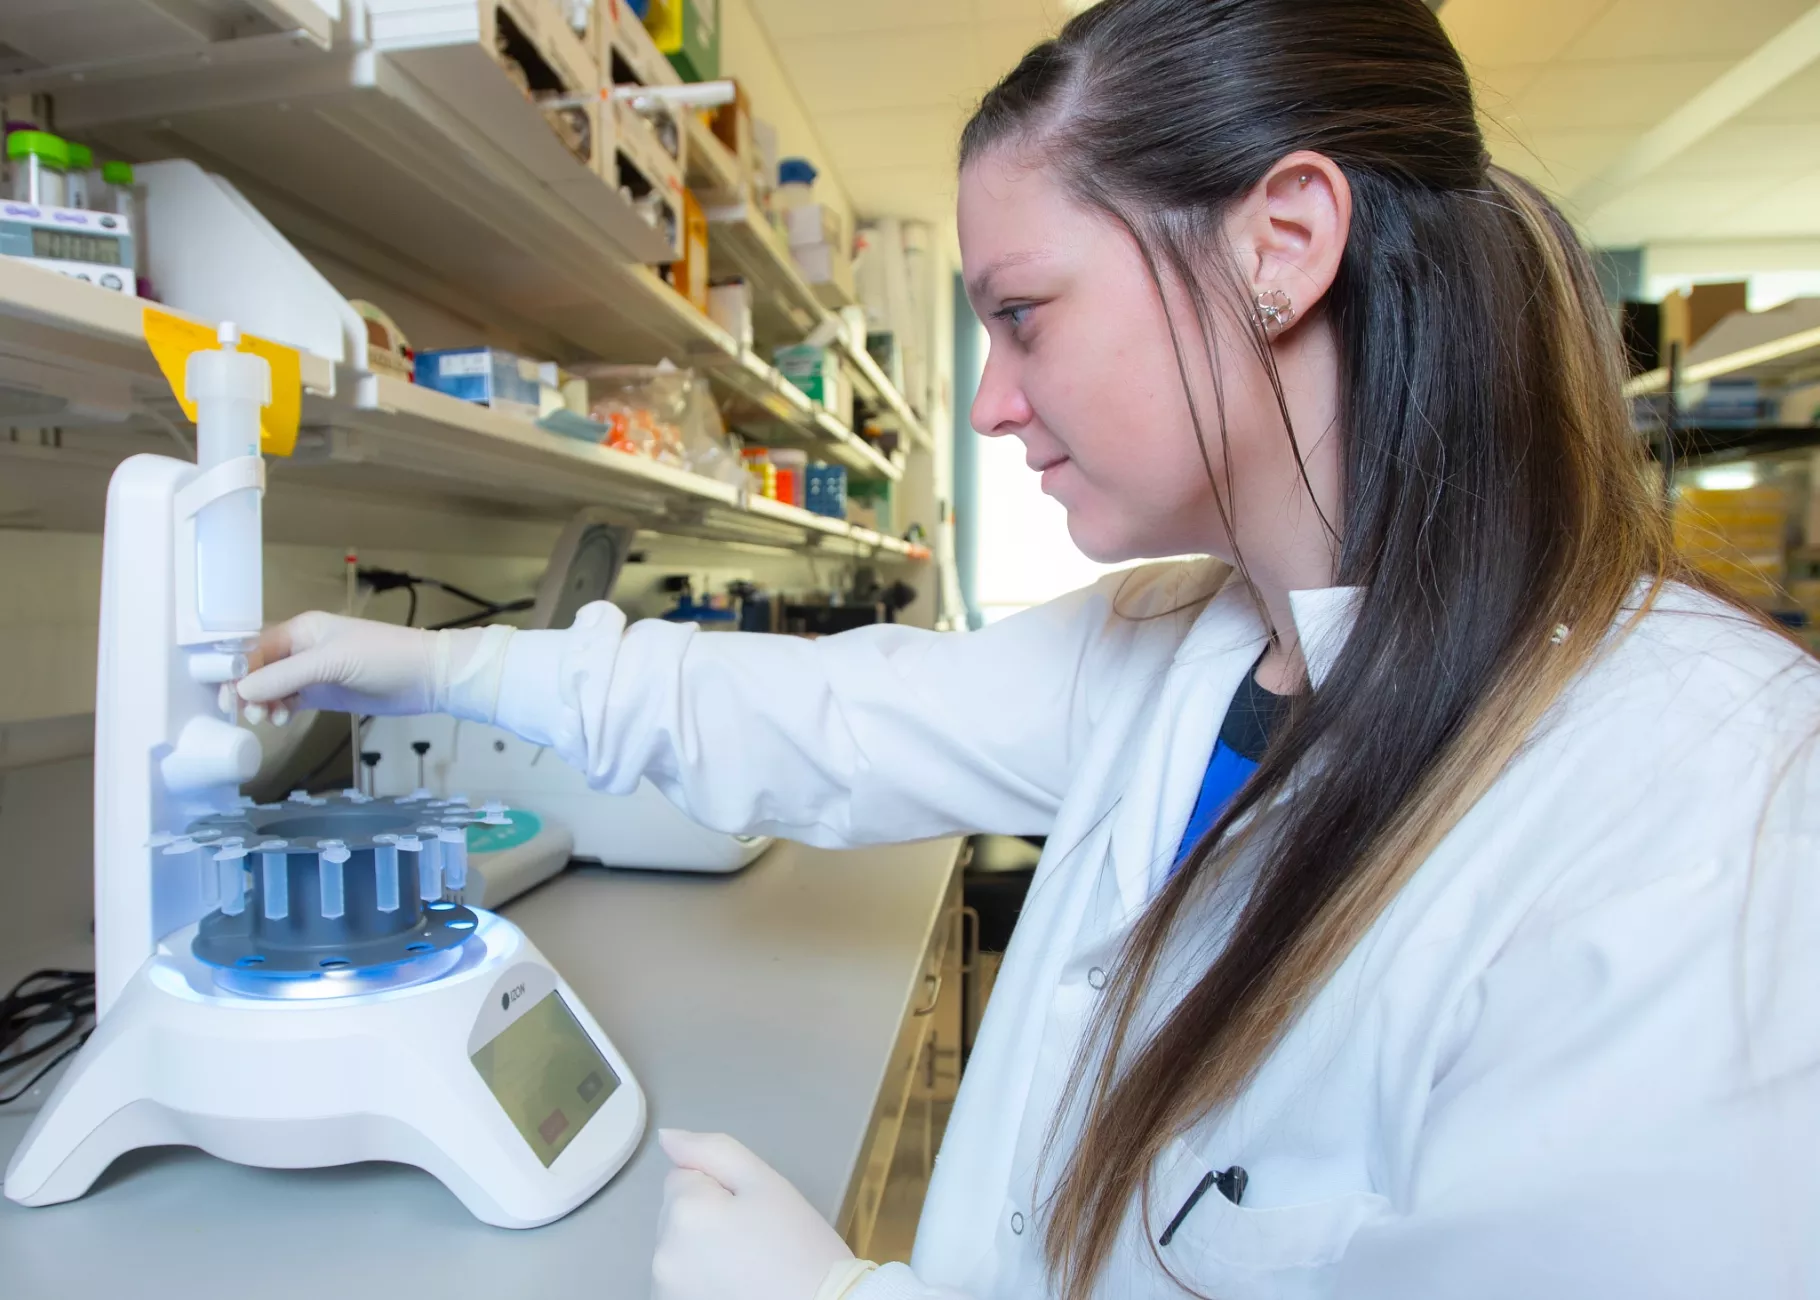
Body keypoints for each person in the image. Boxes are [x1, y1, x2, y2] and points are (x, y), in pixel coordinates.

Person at [237, 0, 1820, 1296]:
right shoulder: (1185, 646)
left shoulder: (1706, 807)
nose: (991, 401)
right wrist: (437, 669)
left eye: (1027, 312)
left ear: (1282, 243)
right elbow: (824, 710)